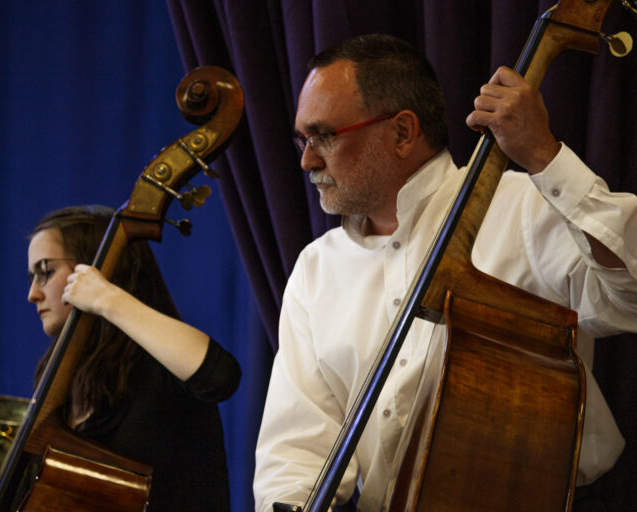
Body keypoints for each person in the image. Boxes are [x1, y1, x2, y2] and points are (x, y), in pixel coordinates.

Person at [253, 34, 637, 511]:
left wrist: (544, 156)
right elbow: (295, 451)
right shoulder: (316, 268)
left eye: (324, 136)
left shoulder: (524, 207)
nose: (308, 160)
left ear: (402, 132)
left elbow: (631, 298)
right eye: (302, 140)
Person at [27, 204, 241, 511]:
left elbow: (221, 376)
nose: (32, 293)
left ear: (90, 269)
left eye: (45, 271)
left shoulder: (157, 360)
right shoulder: (58, 376)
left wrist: (104, 296)